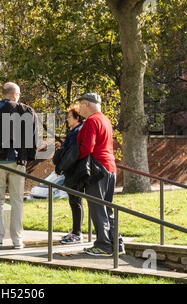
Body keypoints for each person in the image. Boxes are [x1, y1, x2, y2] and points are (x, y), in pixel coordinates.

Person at [0, 82, 37, 249]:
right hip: (18, 161)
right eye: (18, 94)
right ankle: (17, 239)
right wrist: (27, 158)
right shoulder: (27, 111)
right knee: (17, 201)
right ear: (14, 95)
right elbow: (32, 139)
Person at [75, 93, 124, 256]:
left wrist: (74, 162)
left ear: (87, 104)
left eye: (80, 104)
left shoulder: (91, 121)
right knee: (107, 208)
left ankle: (103, 245)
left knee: (97, 208)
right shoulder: (105, 119)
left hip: (97, 169)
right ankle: (116, 243)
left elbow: (87, 148)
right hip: (110, 168)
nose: (79, 108)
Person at [59, 104, 85, 244]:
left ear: (77, 118)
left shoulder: (76, 132)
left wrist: (62, 165)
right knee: (76, 202)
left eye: (69, 117)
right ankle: (76, 232)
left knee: (75, 202)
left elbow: (71, 153)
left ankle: (76, 233)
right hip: (74, 171)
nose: (67, 120)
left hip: (74, 172)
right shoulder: (74, 131)